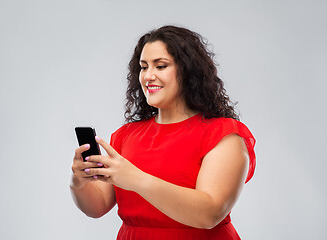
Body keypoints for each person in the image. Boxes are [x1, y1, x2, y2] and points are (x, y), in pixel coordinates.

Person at [70, 25, 256, 240]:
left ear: (188, 70)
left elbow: (210, 213)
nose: (148, 76)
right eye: (143, 67)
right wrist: (79, 181)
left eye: (160, 66)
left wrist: (136, 179)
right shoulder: (125, 135)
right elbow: (97, 207)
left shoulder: (224, 135)